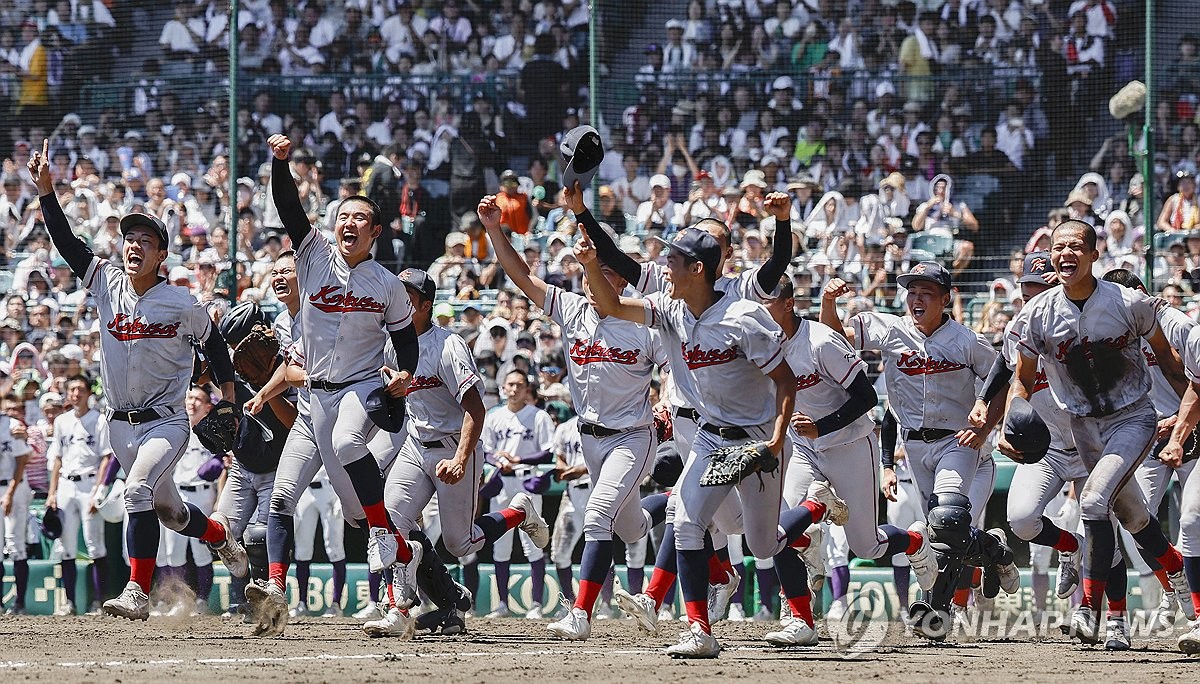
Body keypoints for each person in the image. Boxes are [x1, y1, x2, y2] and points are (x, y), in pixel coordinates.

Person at [28, 139, 248, 621]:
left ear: (162, 254)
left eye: (145, 240)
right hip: (119, 426)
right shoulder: (106, 280)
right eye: (129, 237)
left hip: (165, 423)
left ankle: (137, 590)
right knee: (169, 511)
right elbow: (66, 244)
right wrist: (47, 192)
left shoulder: (180, 302)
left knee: (136, 492)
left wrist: (228, 400)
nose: (133, 245)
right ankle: (221, 539)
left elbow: (213, 344)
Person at [479, 195, 665, 641]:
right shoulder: (573, 308)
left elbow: (678, 369)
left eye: (601, 270)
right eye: (589, 271)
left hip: (632, 437)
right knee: (631, 525)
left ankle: (579, 613)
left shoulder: (644, 324)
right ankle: (677, 506)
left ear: (621, 280)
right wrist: (493, 229)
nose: (590, 277)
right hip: (591, 438)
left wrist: (669, 403)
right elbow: (521, 276)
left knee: (598, 515)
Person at [259, 134, 421, 635]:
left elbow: (405, 340)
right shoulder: (312, 258)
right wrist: (279, 164)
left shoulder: (387, 284)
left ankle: (388, 563)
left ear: (375, 230)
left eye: (359, 219)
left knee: (350, 441)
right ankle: (399, 550)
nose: (348, 223)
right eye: (342, 217)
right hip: (317, 396)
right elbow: (288, 205)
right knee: (356, 513)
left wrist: (405, 373)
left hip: (360, 387)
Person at [1002, 220, 1192, 644]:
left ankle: (1089, 609)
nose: (1065, 253)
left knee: (1092, 501)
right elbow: (1020, 379)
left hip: (1132, 417)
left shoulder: (1128, 302)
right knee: (1134, 517)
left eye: (1075, 246)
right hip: (1082, 426)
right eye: (1058, 247)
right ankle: (1168, 578)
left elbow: (1167, 359)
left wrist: (1186, 415)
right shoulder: (1037, 314)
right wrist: (1010, 419)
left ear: (1092, 254)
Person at [822, 261, 1020, 640]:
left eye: (926, 293)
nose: (916, 298)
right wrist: (829, 303)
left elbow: (1004, 377)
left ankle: (935, 613)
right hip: (913, 445)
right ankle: (994, 550)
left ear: (945, 300)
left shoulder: (965, 340)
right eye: (912, 291)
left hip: (956, 441)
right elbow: (836, 338)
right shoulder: (890, 329)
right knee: (939, 532)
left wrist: (986, 427)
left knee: (946, 520)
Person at [758, 278, 937, 645]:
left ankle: (916, 542)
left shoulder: (820, 341)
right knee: (778, 531)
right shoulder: (761, 344)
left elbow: (868, 397)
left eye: (768, 302)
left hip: (850, 444)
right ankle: (802, 620)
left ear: (789, 303)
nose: (760, 309)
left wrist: (820, 427)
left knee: (866, 546)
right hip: (805, 448)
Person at [370, 268, 547, 638]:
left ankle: (518, 512)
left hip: (454, 446)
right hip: (417, 445)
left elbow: (475, 410)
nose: (398, 302)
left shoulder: (448, 345)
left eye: (407, 297)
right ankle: (396, 607)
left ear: (425, 305)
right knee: (390, 521)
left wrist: (462, 459)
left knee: (458, 542)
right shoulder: (392, 344)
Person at [481, 369, 555, 619]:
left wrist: (518, 459)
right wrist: (498, 461)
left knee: (533, 544)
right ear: (503, 387)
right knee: (499, 545)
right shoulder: (494, 416)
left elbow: (547, 452)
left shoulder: (538, 416)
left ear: (527, 389)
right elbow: (485, 450)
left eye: (519, 385)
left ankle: (536, 605)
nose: (514, 389)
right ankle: (501, 603)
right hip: (502, 481)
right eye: (510, 384)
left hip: (527, 482)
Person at [45, 375, 112, 615]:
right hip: (66, 485)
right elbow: (57, 459)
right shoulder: (62, 421)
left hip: (89, 483)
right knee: (66, 545)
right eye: (72, 389)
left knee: (95, 543)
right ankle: (70, 602)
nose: (76, 394)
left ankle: (99, 602)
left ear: (88, 393)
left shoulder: (99, 420)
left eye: (80, 389)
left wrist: (98, 490)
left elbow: (107, 456)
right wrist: (52, 493)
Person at [158, 387, 223, 616]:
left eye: (198, 399)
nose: (192, 402)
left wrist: (218, 464)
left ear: (208, 406)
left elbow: (222, 460)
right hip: (178, 492)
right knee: (174, 551)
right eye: (190, 398)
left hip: (202, 493)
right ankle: (179, 602)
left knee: (200, 551)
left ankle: (203, 601)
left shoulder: (213, 431)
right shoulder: (177, 429)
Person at [289, 466, 346, 619]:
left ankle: (336, 604)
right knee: (302, 548)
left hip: (329, 487)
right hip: (304, 489)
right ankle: (302, 602)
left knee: (335, 547)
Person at [0, 392, 32, 615]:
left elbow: (21, 461)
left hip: (15, 486)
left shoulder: (12, 425)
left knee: (15, 545)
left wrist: (10, 493)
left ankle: (20, 603)